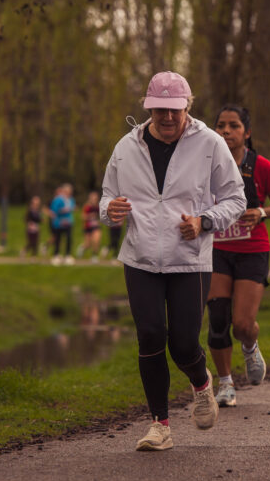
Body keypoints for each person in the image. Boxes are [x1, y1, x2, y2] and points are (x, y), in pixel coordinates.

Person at [100, 71, 245, 451]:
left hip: (190, 260)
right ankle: (159, 425)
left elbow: (236, 199)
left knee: (183, 343)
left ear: (188, 108)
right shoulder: (126, 147)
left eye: (174, 111)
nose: (167, 118)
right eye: (159, 110)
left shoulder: (210, 144)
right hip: (140, 257)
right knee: (149, 335)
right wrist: (110, 210)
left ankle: (201, 383)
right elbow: (106, 198)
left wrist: (205, 221)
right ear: (148, 108)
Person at [206, 105, 270, 408]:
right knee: (217, 319)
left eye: (234, 126)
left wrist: (262, 212)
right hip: (216, 249)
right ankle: (225, 384)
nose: (226, 131)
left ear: (247, 132)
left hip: (252, 250)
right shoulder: (205, 164)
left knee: (241, 324)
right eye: (221, 126)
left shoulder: (262, 166)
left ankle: (250, 344)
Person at [50, 183, 75, 266]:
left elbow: (72, 208)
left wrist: (70, 210)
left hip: (68, 222)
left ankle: (67, 255)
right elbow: (54, 210)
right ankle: (56, 255)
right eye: (66, 191)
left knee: (68, 238)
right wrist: (63, 210)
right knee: (58, 239)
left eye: (69, 191)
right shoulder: (58, 199)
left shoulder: (71, 200)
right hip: (59, 222)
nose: (68, 193)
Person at [78, 191, 102, 261]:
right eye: (93, 198)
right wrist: (89, 216)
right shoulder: (87, 206)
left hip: (96, 226)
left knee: (96, 240)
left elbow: (101, 216)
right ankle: (82, 248)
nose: (94, 200)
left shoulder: (98, 206)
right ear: (90, 199)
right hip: (88, 227)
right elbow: (82, 217)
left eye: (96, 198)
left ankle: (94, 256)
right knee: (88, 244)